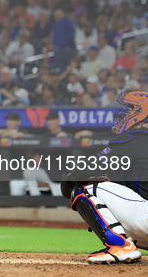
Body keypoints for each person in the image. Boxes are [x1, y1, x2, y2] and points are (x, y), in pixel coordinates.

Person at [61, 91, 148, 264]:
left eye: (130, 108)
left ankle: (120, 247)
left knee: (85, 187)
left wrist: (69, 178)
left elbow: (87, 169)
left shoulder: (135, 137)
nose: (124, 113)